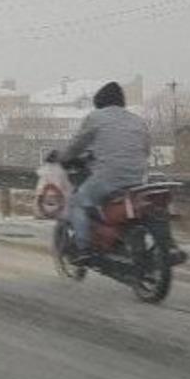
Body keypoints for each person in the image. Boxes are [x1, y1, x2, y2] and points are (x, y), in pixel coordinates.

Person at [59, 81, 149, 264]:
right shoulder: (137, 120)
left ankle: (83, 249)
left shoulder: (96, 117)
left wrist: (64, 157)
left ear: (99, 102)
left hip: (109, 178)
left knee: (78, 202)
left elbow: (78, 144)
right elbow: (146, 150)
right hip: (137, 178)